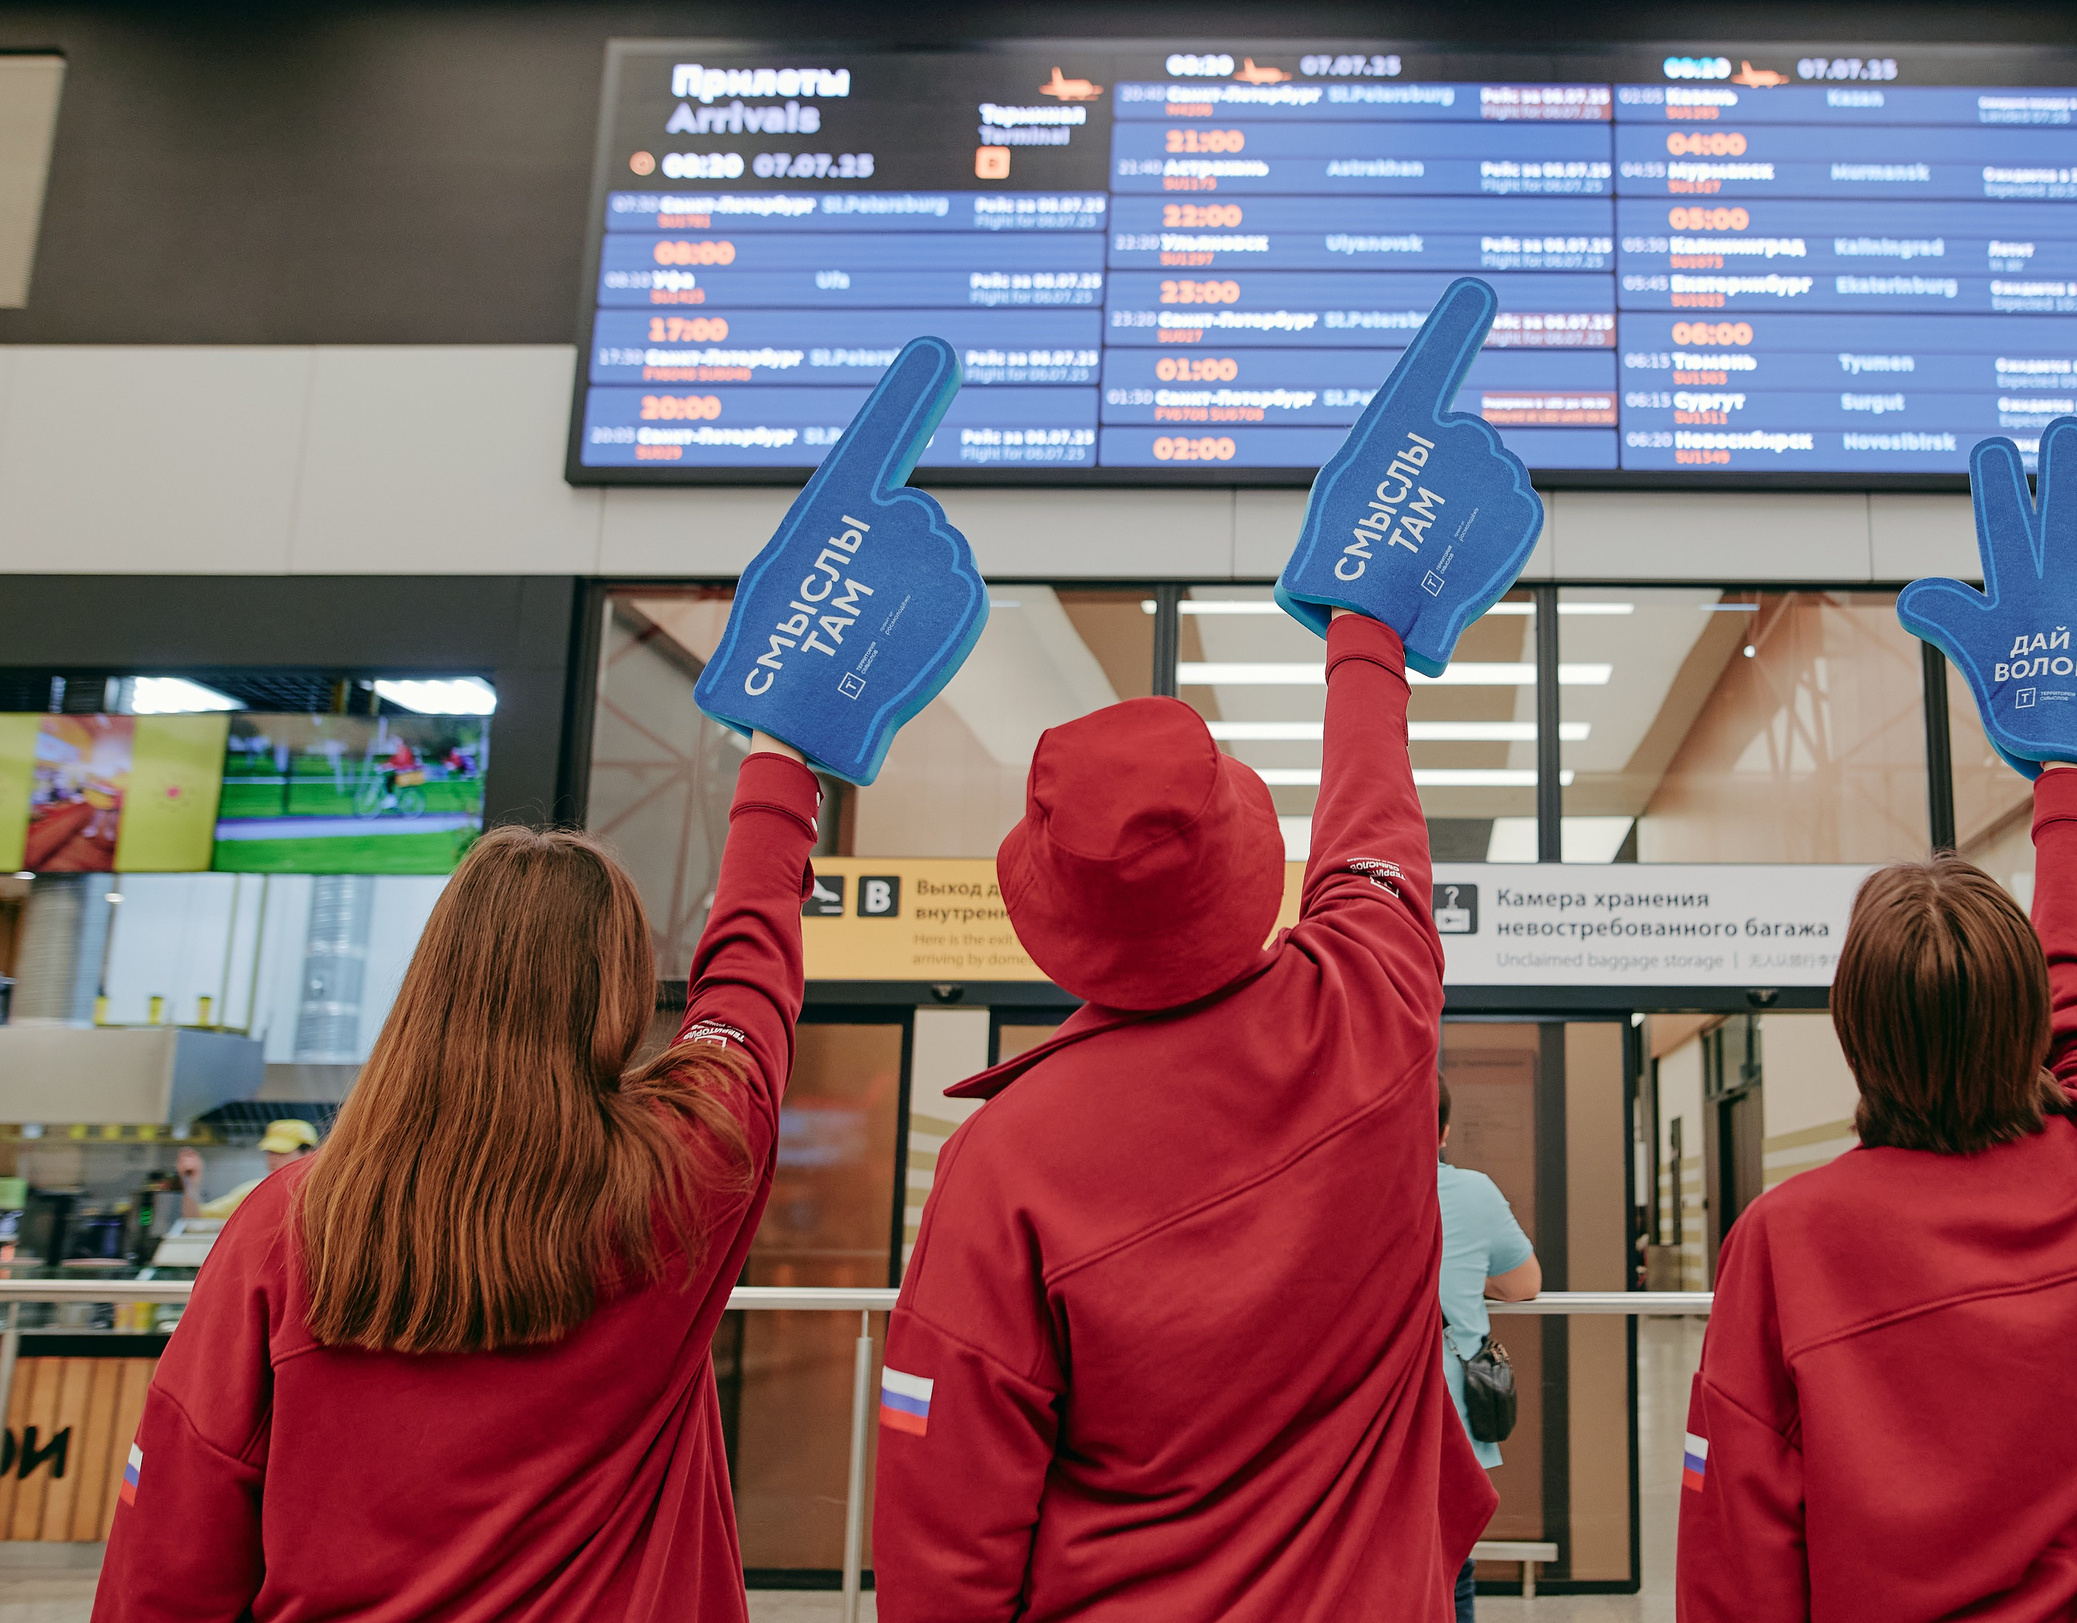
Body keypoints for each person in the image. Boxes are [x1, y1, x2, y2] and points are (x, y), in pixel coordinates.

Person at [94, 731, 821, 1623]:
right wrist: (778, 764)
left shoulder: (291, 1222)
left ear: (429, 980)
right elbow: (746, 987)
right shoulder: (672, 1184)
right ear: (622, 997)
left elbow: (175, 1536)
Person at [874, 612, 1498, 1622]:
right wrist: (1365, 634)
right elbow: (1374, 836)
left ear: (1052, 913)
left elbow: (946, 1527)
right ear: (1242, 859)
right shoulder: (1367, 1016)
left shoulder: (1002, 1162)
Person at [1677, 763, 2077, 1621]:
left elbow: (1741, 1530)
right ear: (2030, 1014)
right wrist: (2074, 783)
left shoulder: (1787, 1240)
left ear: (1854, 1026)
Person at [1436, 1074, 1539, 1623]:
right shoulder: (1474, 1192)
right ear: (1445, 1132)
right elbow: (1523, 1284)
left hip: (1359, 1419)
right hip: (1449, 1417)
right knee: (1453, 1566)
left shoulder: (1339, 1185)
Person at [174, 1118, 318, 1220]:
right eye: (270, 1152)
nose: (273, 1159)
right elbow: (195, 1218)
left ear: (308, 1154)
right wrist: (191, 1183)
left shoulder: (321, 1196)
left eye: (281, 1152)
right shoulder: (254, 1193)